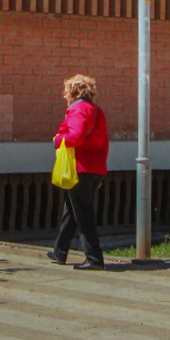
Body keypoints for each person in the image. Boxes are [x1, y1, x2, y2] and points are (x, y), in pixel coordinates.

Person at [47, 74, 109, 271]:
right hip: (95, 167)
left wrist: (57, 140)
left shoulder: (79, 109)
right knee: (72, 210)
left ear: (74, 92)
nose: (64, 95)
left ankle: (94, 258)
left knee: (83, 213)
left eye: (66, 91)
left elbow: (75, 136)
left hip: (81, 168)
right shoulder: (96, 111)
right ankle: (60, 250)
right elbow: (103, 141)